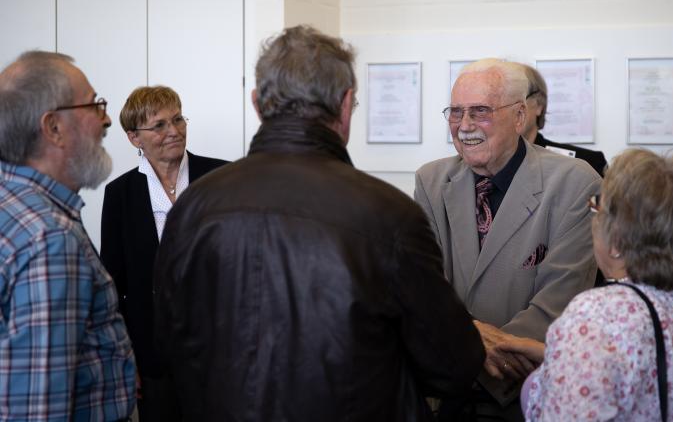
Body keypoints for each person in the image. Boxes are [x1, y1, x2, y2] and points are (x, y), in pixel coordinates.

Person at [152, 25, 485, 421]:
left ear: (257, 104)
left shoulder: (192, 209)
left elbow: (166, 353)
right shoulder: (389, 216)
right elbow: (454, 366)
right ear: (345, 106)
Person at [415, 59, 601, 421]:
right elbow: (425, 289)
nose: (465, 126)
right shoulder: (432, 181)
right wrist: (470, 344)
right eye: (455, 112)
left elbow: (558, 303)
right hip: (447, 398)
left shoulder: (575, 182)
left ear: (519, 116)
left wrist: (471, 353)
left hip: (527, 399)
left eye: (480, 112)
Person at [502, 149, 673, 421]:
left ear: (617, 239)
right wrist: (560, 356)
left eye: (597, 206)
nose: (593, 218)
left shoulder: (595, 317)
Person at [0, 51, 136, 421]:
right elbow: (38, 409)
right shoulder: (48, 239)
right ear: (53, 128)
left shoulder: (12, 208)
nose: (107, 118)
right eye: (94, 104)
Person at [100, 85, 227, 421]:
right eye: (158, 125)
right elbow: (113, 286)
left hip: (219, 351)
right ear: (134, 138)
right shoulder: (120, 195)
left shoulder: (221, 178)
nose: (174, 131)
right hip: (152, 356)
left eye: (178, 119)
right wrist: (125, 358)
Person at [520, 64, 607, 177]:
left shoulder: (586, 164)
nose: (506, 108)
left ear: (539, 104)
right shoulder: (490, 165)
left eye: (517, 98)